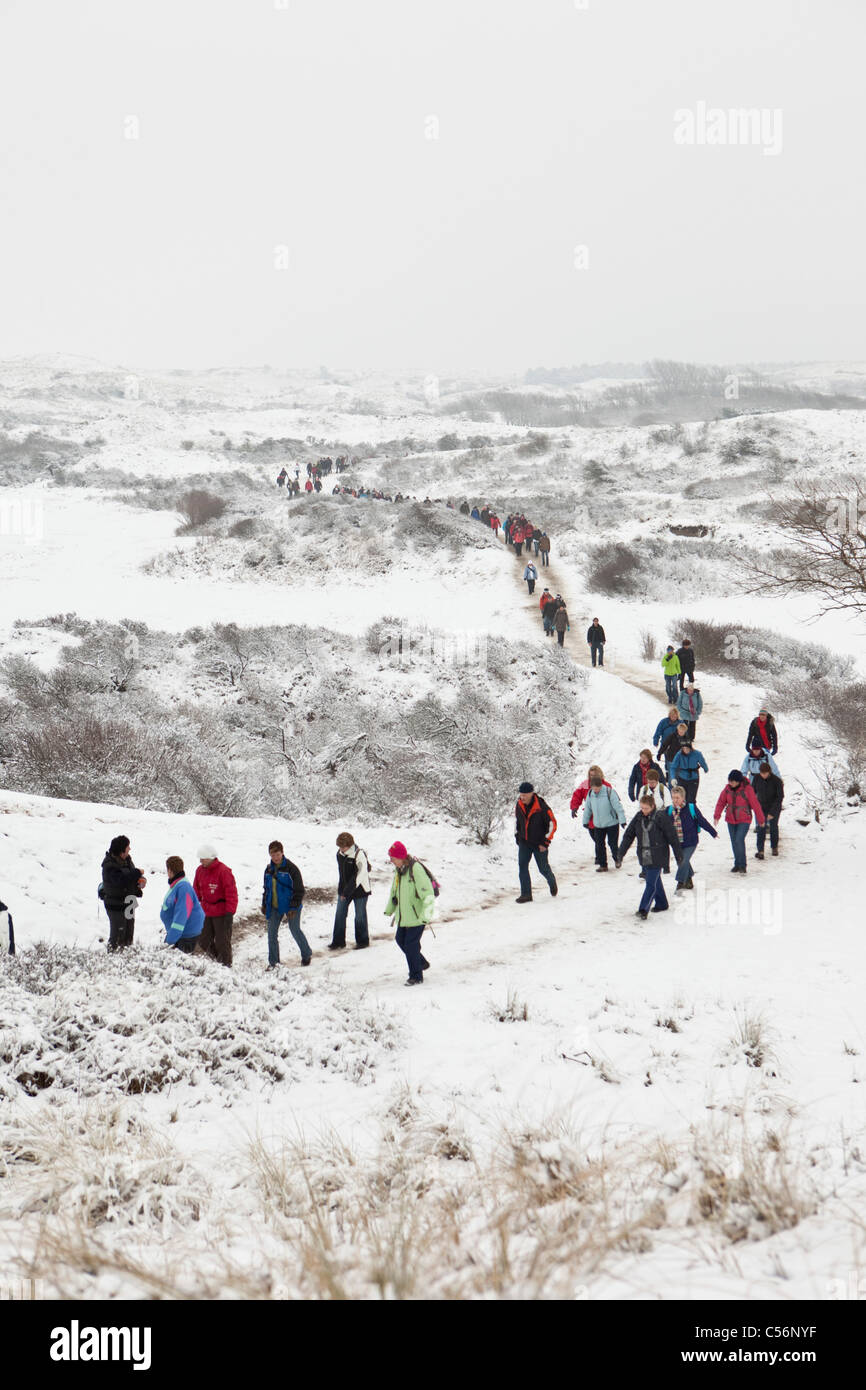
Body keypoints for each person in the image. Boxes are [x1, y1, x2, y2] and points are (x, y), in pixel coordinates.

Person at [615, 795, 684, 920]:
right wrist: (620, 854)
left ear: (653, 806)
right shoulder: (638, 817)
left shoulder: (661, 817)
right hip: (644, 855)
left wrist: (679, 855)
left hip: (658, 855)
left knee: (650, 883)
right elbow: (629, 836)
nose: (643, 810)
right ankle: (662, 903)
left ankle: (643, 909)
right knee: (654, 880)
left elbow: (672, 836)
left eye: (646, 808)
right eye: (642, 808)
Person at [384, 841, 434, 986]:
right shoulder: (399, 870)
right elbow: (394, 891)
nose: (391, 860)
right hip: (403, 915)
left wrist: (426, 915)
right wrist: (390, 909)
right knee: (400, 940)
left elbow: (428, 893)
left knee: (411, 945)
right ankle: (421, 962)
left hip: (417, 916)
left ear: (400, 857)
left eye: (393, 857)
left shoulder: (415, 869)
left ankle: (416, 976)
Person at [262, 840, 311, 969]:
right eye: (272, 855)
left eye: (277, 854)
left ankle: (306, 954)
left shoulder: (292, 869)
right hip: (274, 907)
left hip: (291, 907)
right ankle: (274, 963)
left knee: (295, 930)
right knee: (271, 935)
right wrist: (264, 904)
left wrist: (294, 907)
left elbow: (299, 890)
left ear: (282, 853)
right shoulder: (268, 870)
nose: (275, 857)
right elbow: (266, 889)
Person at [665, 785, 718, 890]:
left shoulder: (691, 808)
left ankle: (680, 882)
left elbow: (702, 821)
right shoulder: (669, 810)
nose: (675, 800)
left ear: (683, 798)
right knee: (684, 861)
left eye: (677, 798)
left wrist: (713, 832)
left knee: (683, 861)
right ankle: (689, 880)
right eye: (673, 797)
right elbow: (662, 823)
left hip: (690, 841)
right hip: (676, 842)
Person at [193, 845, 238, 967]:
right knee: (203, 940)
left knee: (222, 942)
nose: (200, 861)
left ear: (210, 858)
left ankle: (226, 965)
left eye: (203, 858)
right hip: (206, 911)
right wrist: (193, 908)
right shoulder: (199, 871)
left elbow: (231, 893)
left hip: (222, 913)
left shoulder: (224, 871)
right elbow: (196, 890)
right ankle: (217, 961)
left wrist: (230, 913)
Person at [100, 835, 146, 953]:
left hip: (129, 903)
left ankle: (126, 959)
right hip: (116, 905)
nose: (129, 849)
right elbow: (121, 880)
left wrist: (140, 882)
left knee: (128, 935)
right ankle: (112, 960)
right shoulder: (109, 865)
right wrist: (136, 873)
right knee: (117, 935)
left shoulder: (127, 860)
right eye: (127, 847)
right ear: (121, 851)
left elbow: (130, 878)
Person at [713, 771, 765, 874]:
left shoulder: (747, 789)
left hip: (744, 819)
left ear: (738, 781)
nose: (730, 783)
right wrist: (717, 816)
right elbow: (721, 802)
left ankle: (742, 865)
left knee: (739, 839)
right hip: (731, 819)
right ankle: (737, 864)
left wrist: (761, 820)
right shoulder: (727, 789)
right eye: (729, 781)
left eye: (732, 781)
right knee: (734, 841)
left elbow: (755, 804)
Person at [515, 782, 558, 901]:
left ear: (531, 793)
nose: (522, 797)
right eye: (521, 794)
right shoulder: (519, 805)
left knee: (543, 868)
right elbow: (517, 822)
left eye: (525, 795)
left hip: (539, 843)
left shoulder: (542, 807)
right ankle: (526, 894)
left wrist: (545, 842)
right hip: (524, 841)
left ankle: (551, 880)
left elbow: (552, 824)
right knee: (522, 866)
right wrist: (517, 836)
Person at [329, 832, 371, 950]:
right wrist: (342, 890)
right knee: (340, 914)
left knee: (360, 916)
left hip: (360, 890)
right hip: (345, 889)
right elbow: (342, 875)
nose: (341, 849)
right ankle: (338, 942)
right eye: (339, 847)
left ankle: (362, 941)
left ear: (350, 845)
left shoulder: (359, 854)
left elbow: (359, 875)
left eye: (343, 847)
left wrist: (346, 892)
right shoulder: (339, 854)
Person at [160, 856, 204, 953]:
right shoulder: (178, 884)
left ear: (170, 870)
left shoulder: (183, 887)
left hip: (185, 935)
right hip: (180, 934)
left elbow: (182, 914)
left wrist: (170, 940)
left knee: (179, 966)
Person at [582, 776, 627, 872]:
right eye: (594, 788)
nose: (596, 790)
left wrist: (622, 820)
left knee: (612, 843)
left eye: (597, 788)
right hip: (598, 824)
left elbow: (618, 807)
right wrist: (585, 821)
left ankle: (617, 859)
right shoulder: (590, 794)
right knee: (599, 845)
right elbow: (588, 809)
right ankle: (603, 865)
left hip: (612, 823)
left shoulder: (609, 792)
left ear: (601, 786)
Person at [752, 762, 784, 859]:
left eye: (765, 773)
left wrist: (772, 812)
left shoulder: (777, 781)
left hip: (774, 807)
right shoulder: (757, 778)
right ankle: (760, 850)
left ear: (769, 772)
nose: (763, 775)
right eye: (762, 773)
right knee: (761, 827)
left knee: (773, 826)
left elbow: (780, 797)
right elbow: (752, 791)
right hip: (761, 806)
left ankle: (774, 847)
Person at [669, 740, 708, 805]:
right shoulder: (679, 755)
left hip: (693, 778)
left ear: (690, 748)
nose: (685, 750)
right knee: (682, 798)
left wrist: (705, 768)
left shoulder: (697, 754)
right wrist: (673, 778)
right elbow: (673, 767)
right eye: (683, 748)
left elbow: (702, 762)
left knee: (691, 799)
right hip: (682, 778)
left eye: (687, 748)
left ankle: (691, 812)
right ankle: (682, 813)